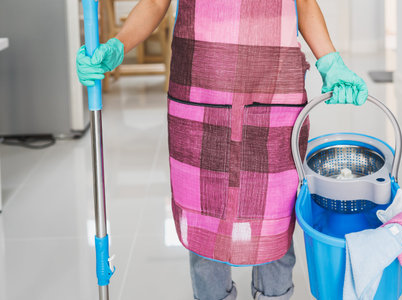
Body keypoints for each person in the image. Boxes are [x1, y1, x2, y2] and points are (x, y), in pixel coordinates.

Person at [76, 0, 368, 299]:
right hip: (200, 91)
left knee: (275, 218)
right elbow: (154, 2)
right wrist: (117, 46)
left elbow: (303, 3)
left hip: (274, 93)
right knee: (205, 220)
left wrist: (331, 62)